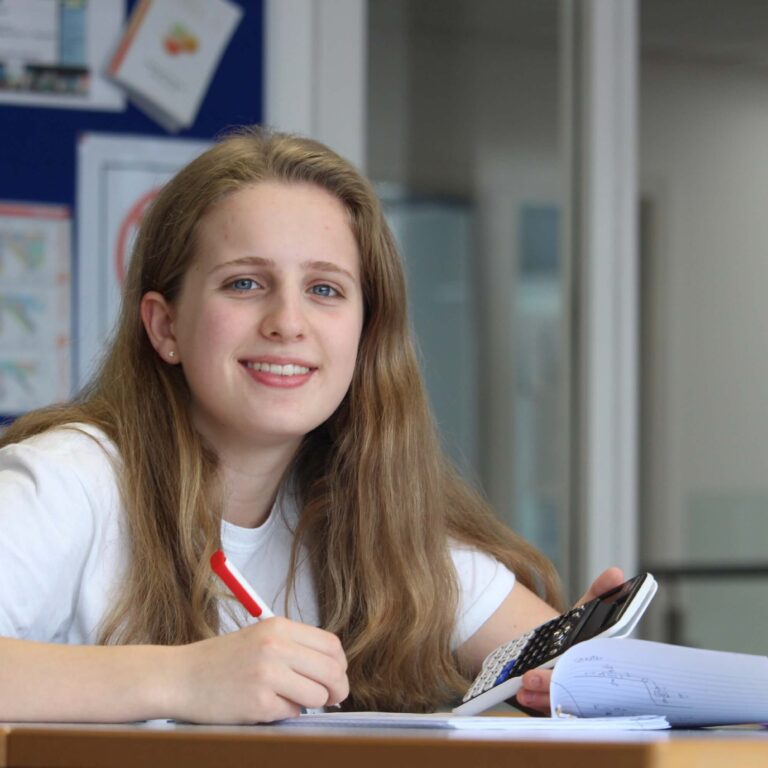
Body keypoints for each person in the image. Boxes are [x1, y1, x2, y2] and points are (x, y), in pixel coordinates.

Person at [0, 126, 624, 723]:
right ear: (165, 328)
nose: (288, 322)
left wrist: (594, 672)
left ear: (364, 332)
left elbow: (568, 669)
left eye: (325, 289)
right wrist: (185, 678)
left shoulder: (373, 514)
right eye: (245, 283)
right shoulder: (70, 478)